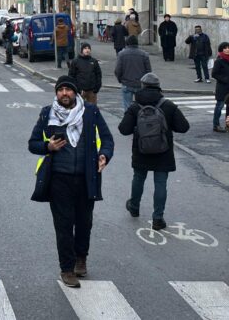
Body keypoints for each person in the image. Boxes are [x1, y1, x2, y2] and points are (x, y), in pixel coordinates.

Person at [28, 76, 114, 288]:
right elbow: (33, 143)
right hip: (59, 179)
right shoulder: (47, 113)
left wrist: (104, 155)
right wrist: (48, 147)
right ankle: (66, 269)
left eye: (68, 89)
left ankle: (80, 259)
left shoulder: (90, 112)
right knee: (64, 225)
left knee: (84, 222)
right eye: (60, 90)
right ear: (56, 93)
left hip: (86, 178)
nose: (64, 93)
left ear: (75, 93)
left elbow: (107, 139)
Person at [119, 73, 189, 230]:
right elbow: (184, 127)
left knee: (138, 178)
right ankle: (158, 218)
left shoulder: (135, 106)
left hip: (141, 150)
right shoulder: (168, 105)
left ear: (142, 86)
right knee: (160, 183)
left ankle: (134, 206)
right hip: (163, 151)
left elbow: (123, 129)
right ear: (158, 87)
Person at [115, 35, 151, 110]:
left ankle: (129, 117)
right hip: (140, 84)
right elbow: (148, 71)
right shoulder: (144, 54)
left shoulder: (121, 54)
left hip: (127, 83)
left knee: (127, 107)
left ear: (127, 43)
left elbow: (118, 70)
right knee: (141, 106)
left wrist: (120, 79)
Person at [211, 42, 229, 132]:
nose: (227, 49)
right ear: (221, 50)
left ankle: (228, 124)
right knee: (219, 106)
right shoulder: (219, 61)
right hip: (222, 88)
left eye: (228, 47)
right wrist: (225, 79)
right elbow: (214, 74)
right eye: (225, 48)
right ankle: (216, 125)